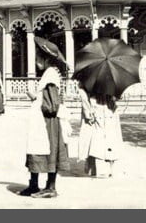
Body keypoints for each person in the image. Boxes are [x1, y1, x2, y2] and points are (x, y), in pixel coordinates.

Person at [20, 54, 70, 198]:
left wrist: (36, 100)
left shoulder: (50, 75)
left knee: (48, 150)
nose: (36, 63)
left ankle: (50, 187)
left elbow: (51, 105)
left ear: (46, 59)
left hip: (47, 121)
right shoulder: (50, 74)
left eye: (38, 60)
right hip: (41, 119)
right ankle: (34, 185)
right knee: (36, 149)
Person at [77, 83, 124, 178]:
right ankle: (94, 169)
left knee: (110, 139)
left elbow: (117, 96)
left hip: (108, 110)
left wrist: (114, 97)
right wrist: (88, 111)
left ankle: (109, 168)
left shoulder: (110, 80)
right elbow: (83, 96)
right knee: (95, 140)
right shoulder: (86, 81)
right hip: (95, 110)